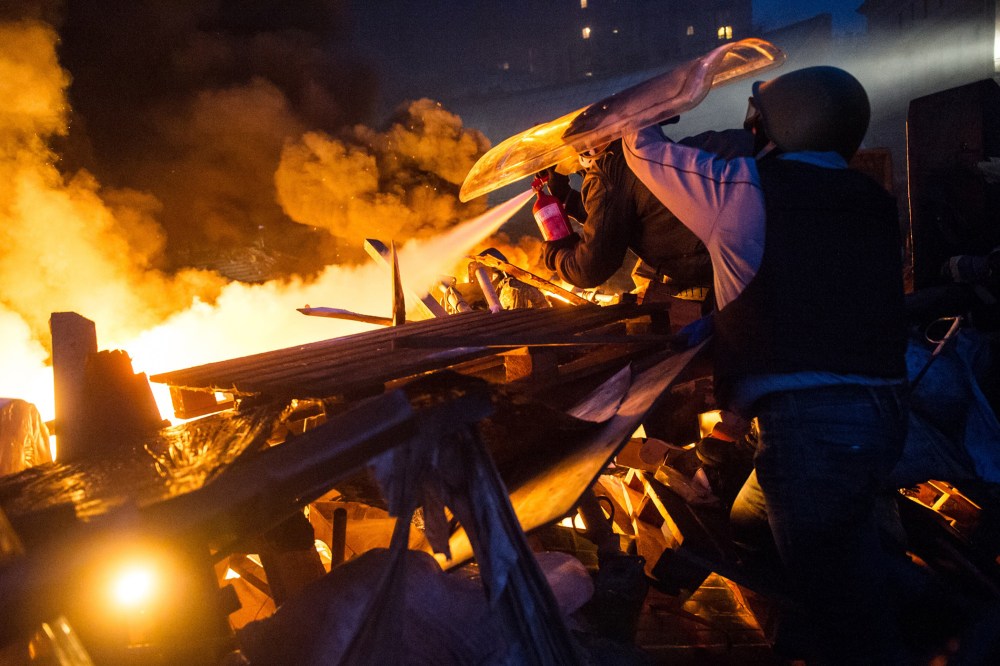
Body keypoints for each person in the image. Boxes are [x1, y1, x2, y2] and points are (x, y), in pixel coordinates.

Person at [622, 66, 911, 664]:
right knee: (756, 525)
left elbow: (645, 152)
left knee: (841, 600)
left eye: (758, 117)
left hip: (813, 429)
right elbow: (796, 315)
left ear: (787, 122)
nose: (749, 127)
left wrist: (647, 110)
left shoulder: (747, 191)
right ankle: (833, 618)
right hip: (882, 415)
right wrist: (725, 427)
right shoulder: (871, 201)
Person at [541, 131, 753, 332]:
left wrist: (556, 254)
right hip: (747, 232)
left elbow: (588, 269)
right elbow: (619, 214)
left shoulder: (608, 172)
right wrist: (567, 199)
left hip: (732, 260)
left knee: (730, 340)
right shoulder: (638, 142)